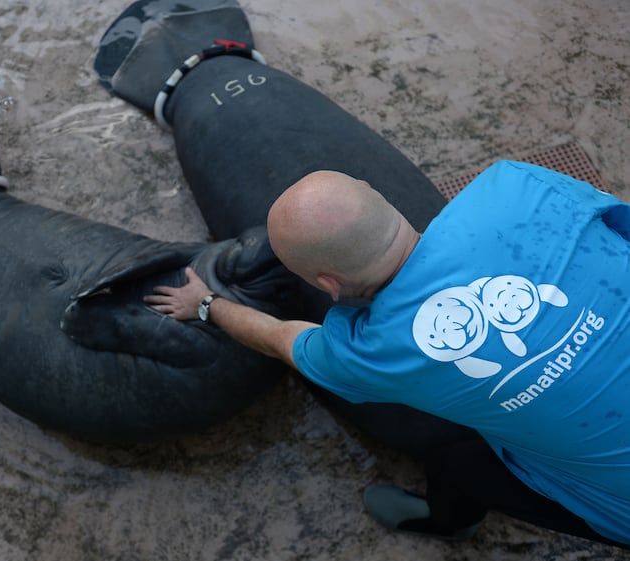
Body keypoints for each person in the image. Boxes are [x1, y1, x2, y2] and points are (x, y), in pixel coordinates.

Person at [144, 162, 630, 548]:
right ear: (373, 190)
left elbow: (278, 337)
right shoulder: (513, 186)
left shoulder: (368, 352)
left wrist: (205, 304)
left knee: (460, 464)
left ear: (328, 286)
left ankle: (449, 525)